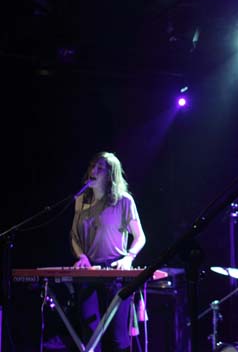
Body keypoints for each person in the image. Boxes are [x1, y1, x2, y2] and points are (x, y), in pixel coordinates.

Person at [71, 151, 146, 352]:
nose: (93, 171)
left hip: (115, 272)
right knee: (90, 335)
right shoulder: (81, 200)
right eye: (92, 166)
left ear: (111, 174)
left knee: (116, 338)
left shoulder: (124, 201)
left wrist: (129, 258)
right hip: (88, 273)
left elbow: (140, 237)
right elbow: (74, 236)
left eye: (100, 168)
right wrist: (82, 256)